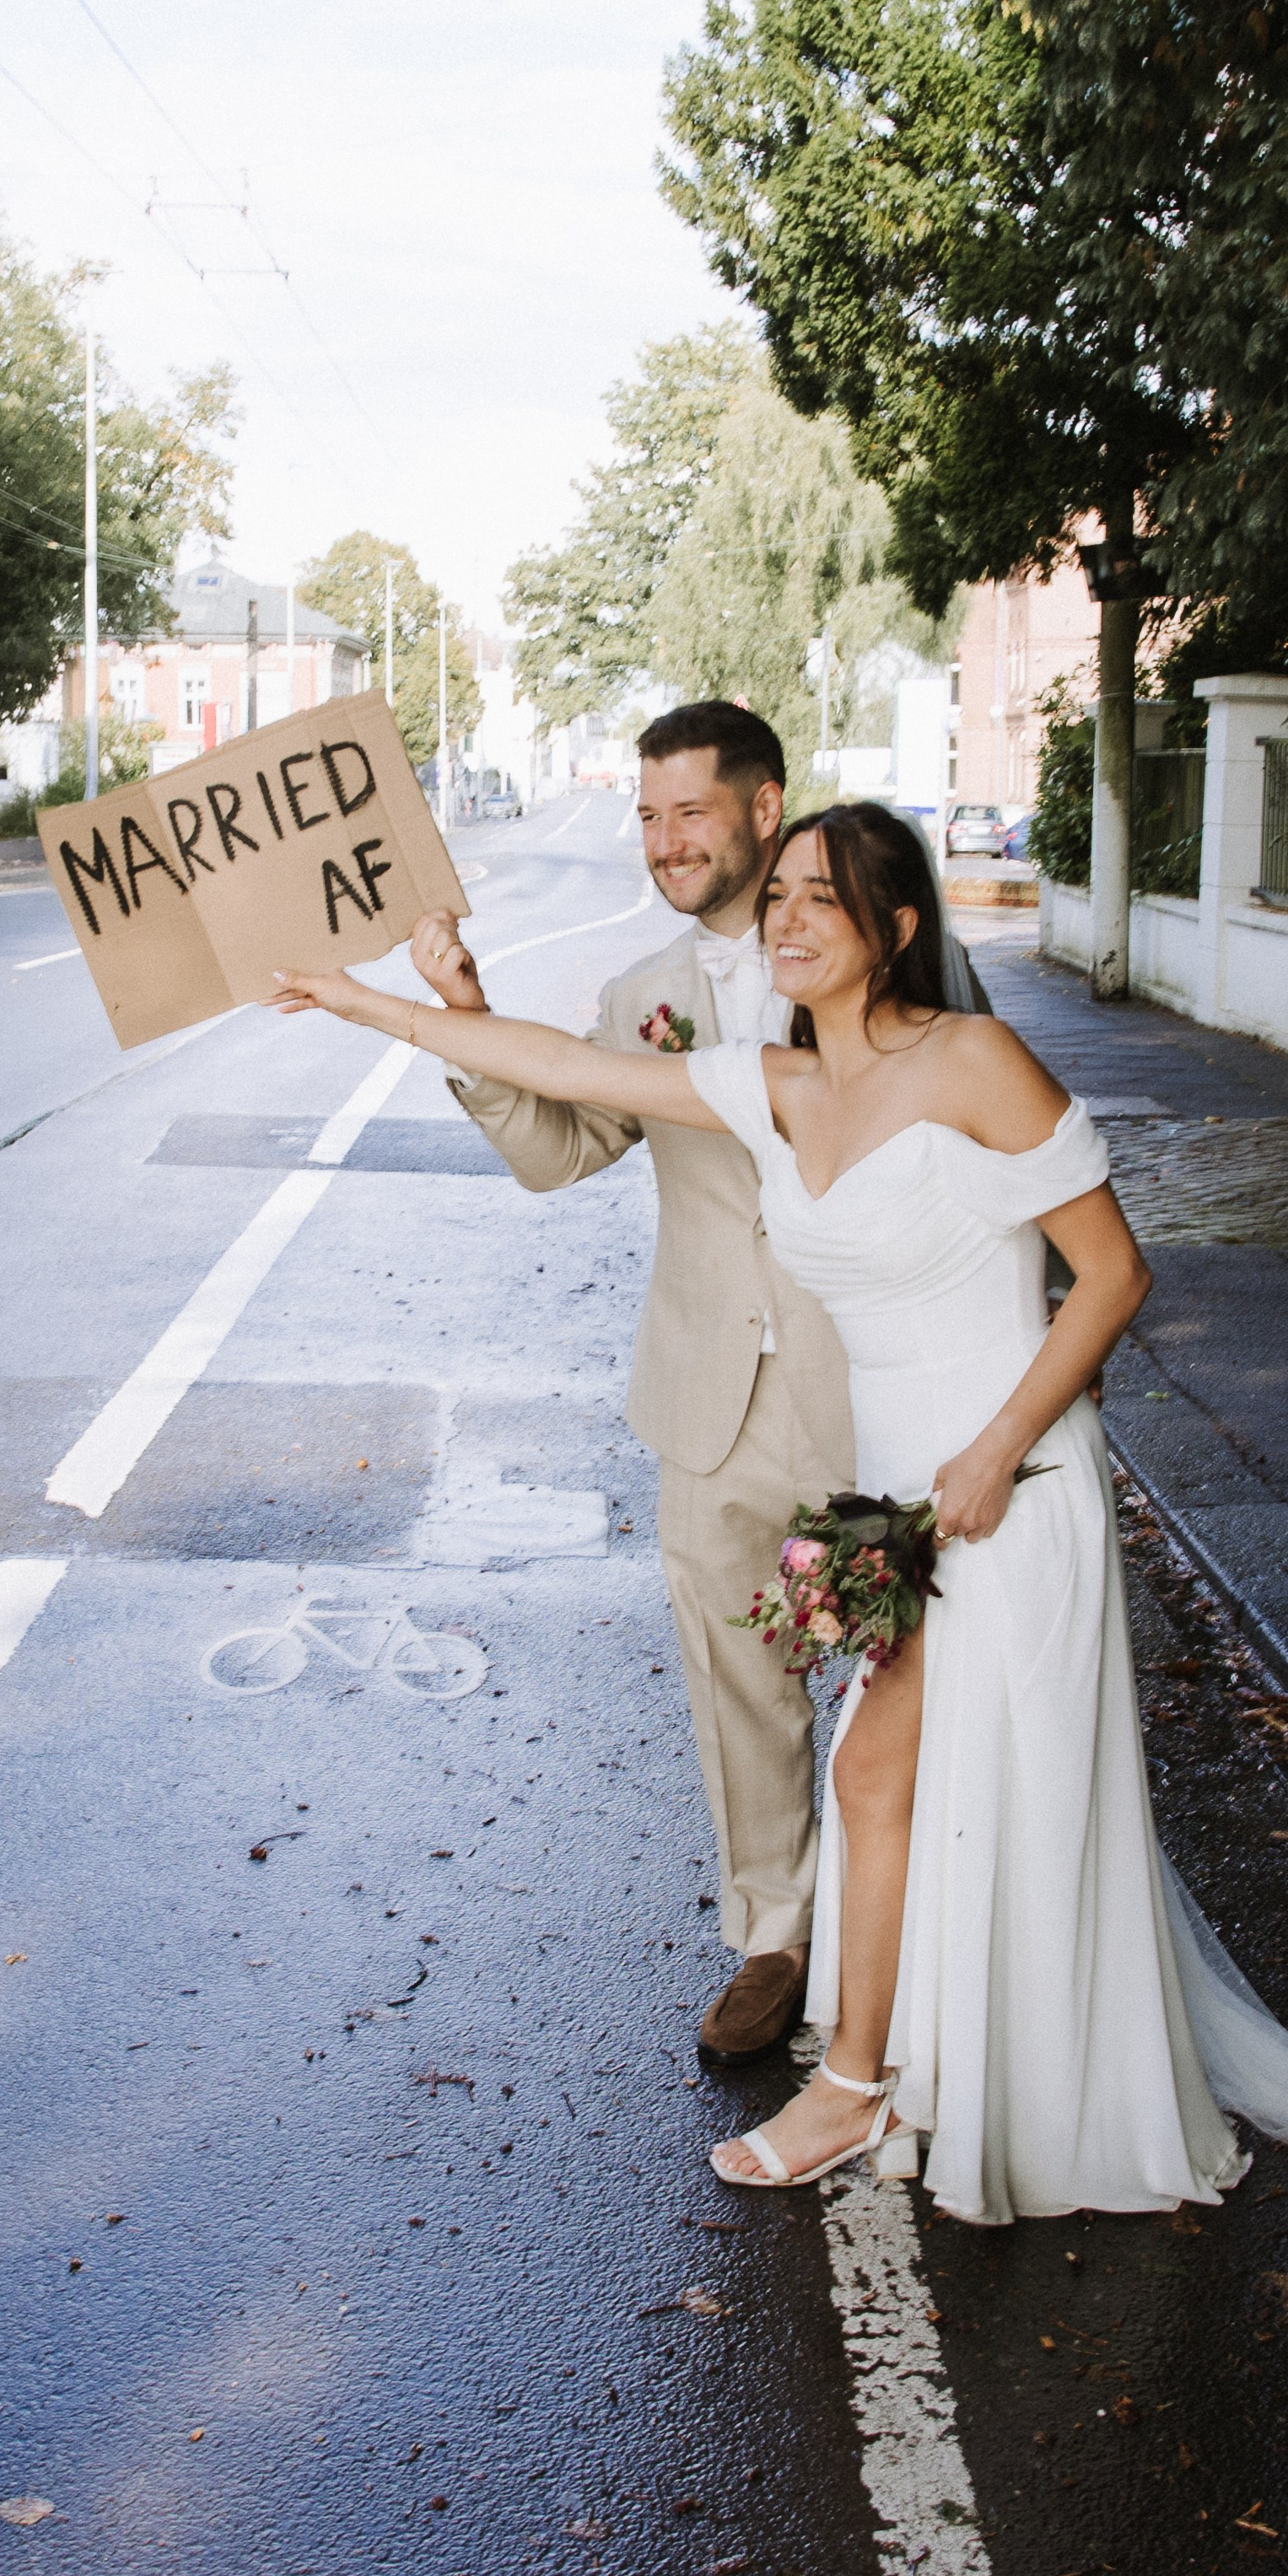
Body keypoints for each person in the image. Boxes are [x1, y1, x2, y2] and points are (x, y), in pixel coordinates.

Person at [276, 800, 1288, 2223]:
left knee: (924, 1782)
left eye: (822, 898)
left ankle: (883, 2083)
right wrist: (362, 1002)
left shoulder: (971, 1059)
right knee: (896, 1786)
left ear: (894, 929)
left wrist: (995, 1452)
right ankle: (901, 2073)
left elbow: (1113, 1274)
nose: (787, 917)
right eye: (779, 893)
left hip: (1009, 1487)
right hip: (895, 1503)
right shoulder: (780, 1086)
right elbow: (566, 1066)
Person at [406, 701, 985, 2072]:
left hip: (875, 1388)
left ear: (764, 807)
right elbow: (560, 1151)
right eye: (648, 816)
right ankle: (774, 1935)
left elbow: (982, 1157)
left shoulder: (884, 963)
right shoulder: (642, 995)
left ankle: (929, 1932)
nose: (665, 841)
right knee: (739, 1678)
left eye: (691, 812)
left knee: (914, 1669)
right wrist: (466, 1017)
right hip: (707, 1394)